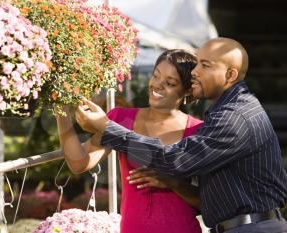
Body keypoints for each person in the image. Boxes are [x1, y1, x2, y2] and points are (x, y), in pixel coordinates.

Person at [75, 37, 287, 233]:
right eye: (197, 64)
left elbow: (173, 160)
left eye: (205, 65)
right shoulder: (227, 110)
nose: (194, 71)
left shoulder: (234, 117)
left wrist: (106, 127)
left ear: (230, 75)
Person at [56, 49, 204, 233]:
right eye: (156, 76)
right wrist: (61, 111)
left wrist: (175, 183)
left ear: (187, 90)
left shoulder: (198, 131)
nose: (157, 85)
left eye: (170, 83)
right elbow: (79, 163)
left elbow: (207, 201)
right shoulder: (121, 119)